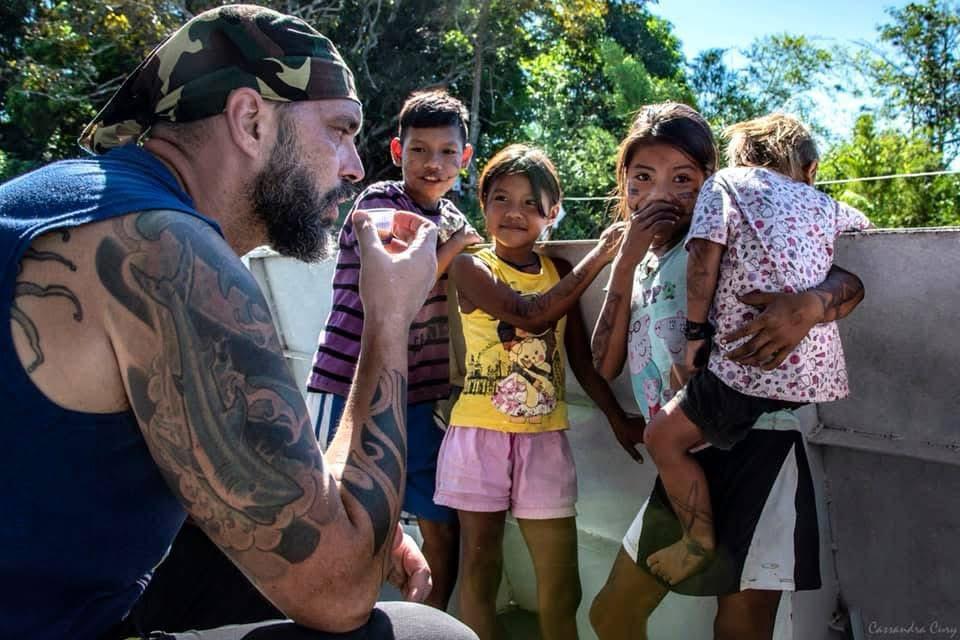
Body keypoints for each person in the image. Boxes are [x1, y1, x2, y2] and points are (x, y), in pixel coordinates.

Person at [0, 5, 477, 640]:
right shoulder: (164, 250)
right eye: (339, 130)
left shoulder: (70, 196)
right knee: (430, 634)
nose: (355, 167)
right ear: (251, 120)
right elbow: (342, 593)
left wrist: (332, 518)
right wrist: (388, 318)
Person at [588, 103, 867, 640]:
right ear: (623, 182)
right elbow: (605, 364)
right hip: (685, 457)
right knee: (612, 615)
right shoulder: (641, 262)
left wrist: (811, 304)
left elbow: (848, 281)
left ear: (712, 180)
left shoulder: (730, 238)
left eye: (682, 179)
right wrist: (624, 262)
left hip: (759, 445)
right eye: (642, 178)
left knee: (741, 629)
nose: (661, 194)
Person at [434, 144, 644, 640]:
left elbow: (580, 359)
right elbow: (529, 316)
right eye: (502, 199)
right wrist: (601, 255)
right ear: (483, 205)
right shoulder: (471, 267)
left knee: (562, 585)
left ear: (553, 213)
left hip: (544, 439)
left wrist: (617, 418)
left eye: (532, 203)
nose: (515, 212)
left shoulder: (560, 273)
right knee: (480, 569)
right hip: (478, 436)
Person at [305, 88, 481, 611]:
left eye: (447, 152)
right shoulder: (381, 203)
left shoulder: (450, 216)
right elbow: (404, 281)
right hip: (349, 385)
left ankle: (431, 623)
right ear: (397, 151)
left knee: (440, 522)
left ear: (465, 158)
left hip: (421, 393)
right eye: (419, 150)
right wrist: (458, 245)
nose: (434, 163)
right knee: (338, 516)